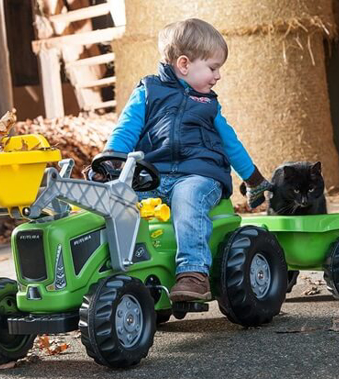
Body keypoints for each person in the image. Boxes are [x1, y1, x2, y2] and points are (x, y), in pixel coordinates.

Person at [93, 18, 271, 302]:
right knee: (117, 203)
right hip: (152, 175)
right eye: (213, 68)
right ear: (184, 64)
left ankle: (193, 273)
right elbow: (126, 129)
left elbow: (231, 144)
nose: (218, 76)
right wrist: (111, 162)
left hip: (199, 175)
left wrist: (254, 179)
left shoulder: (208, 105)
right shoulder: (147, 93)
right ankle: (126, 274)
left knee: (188, 198)